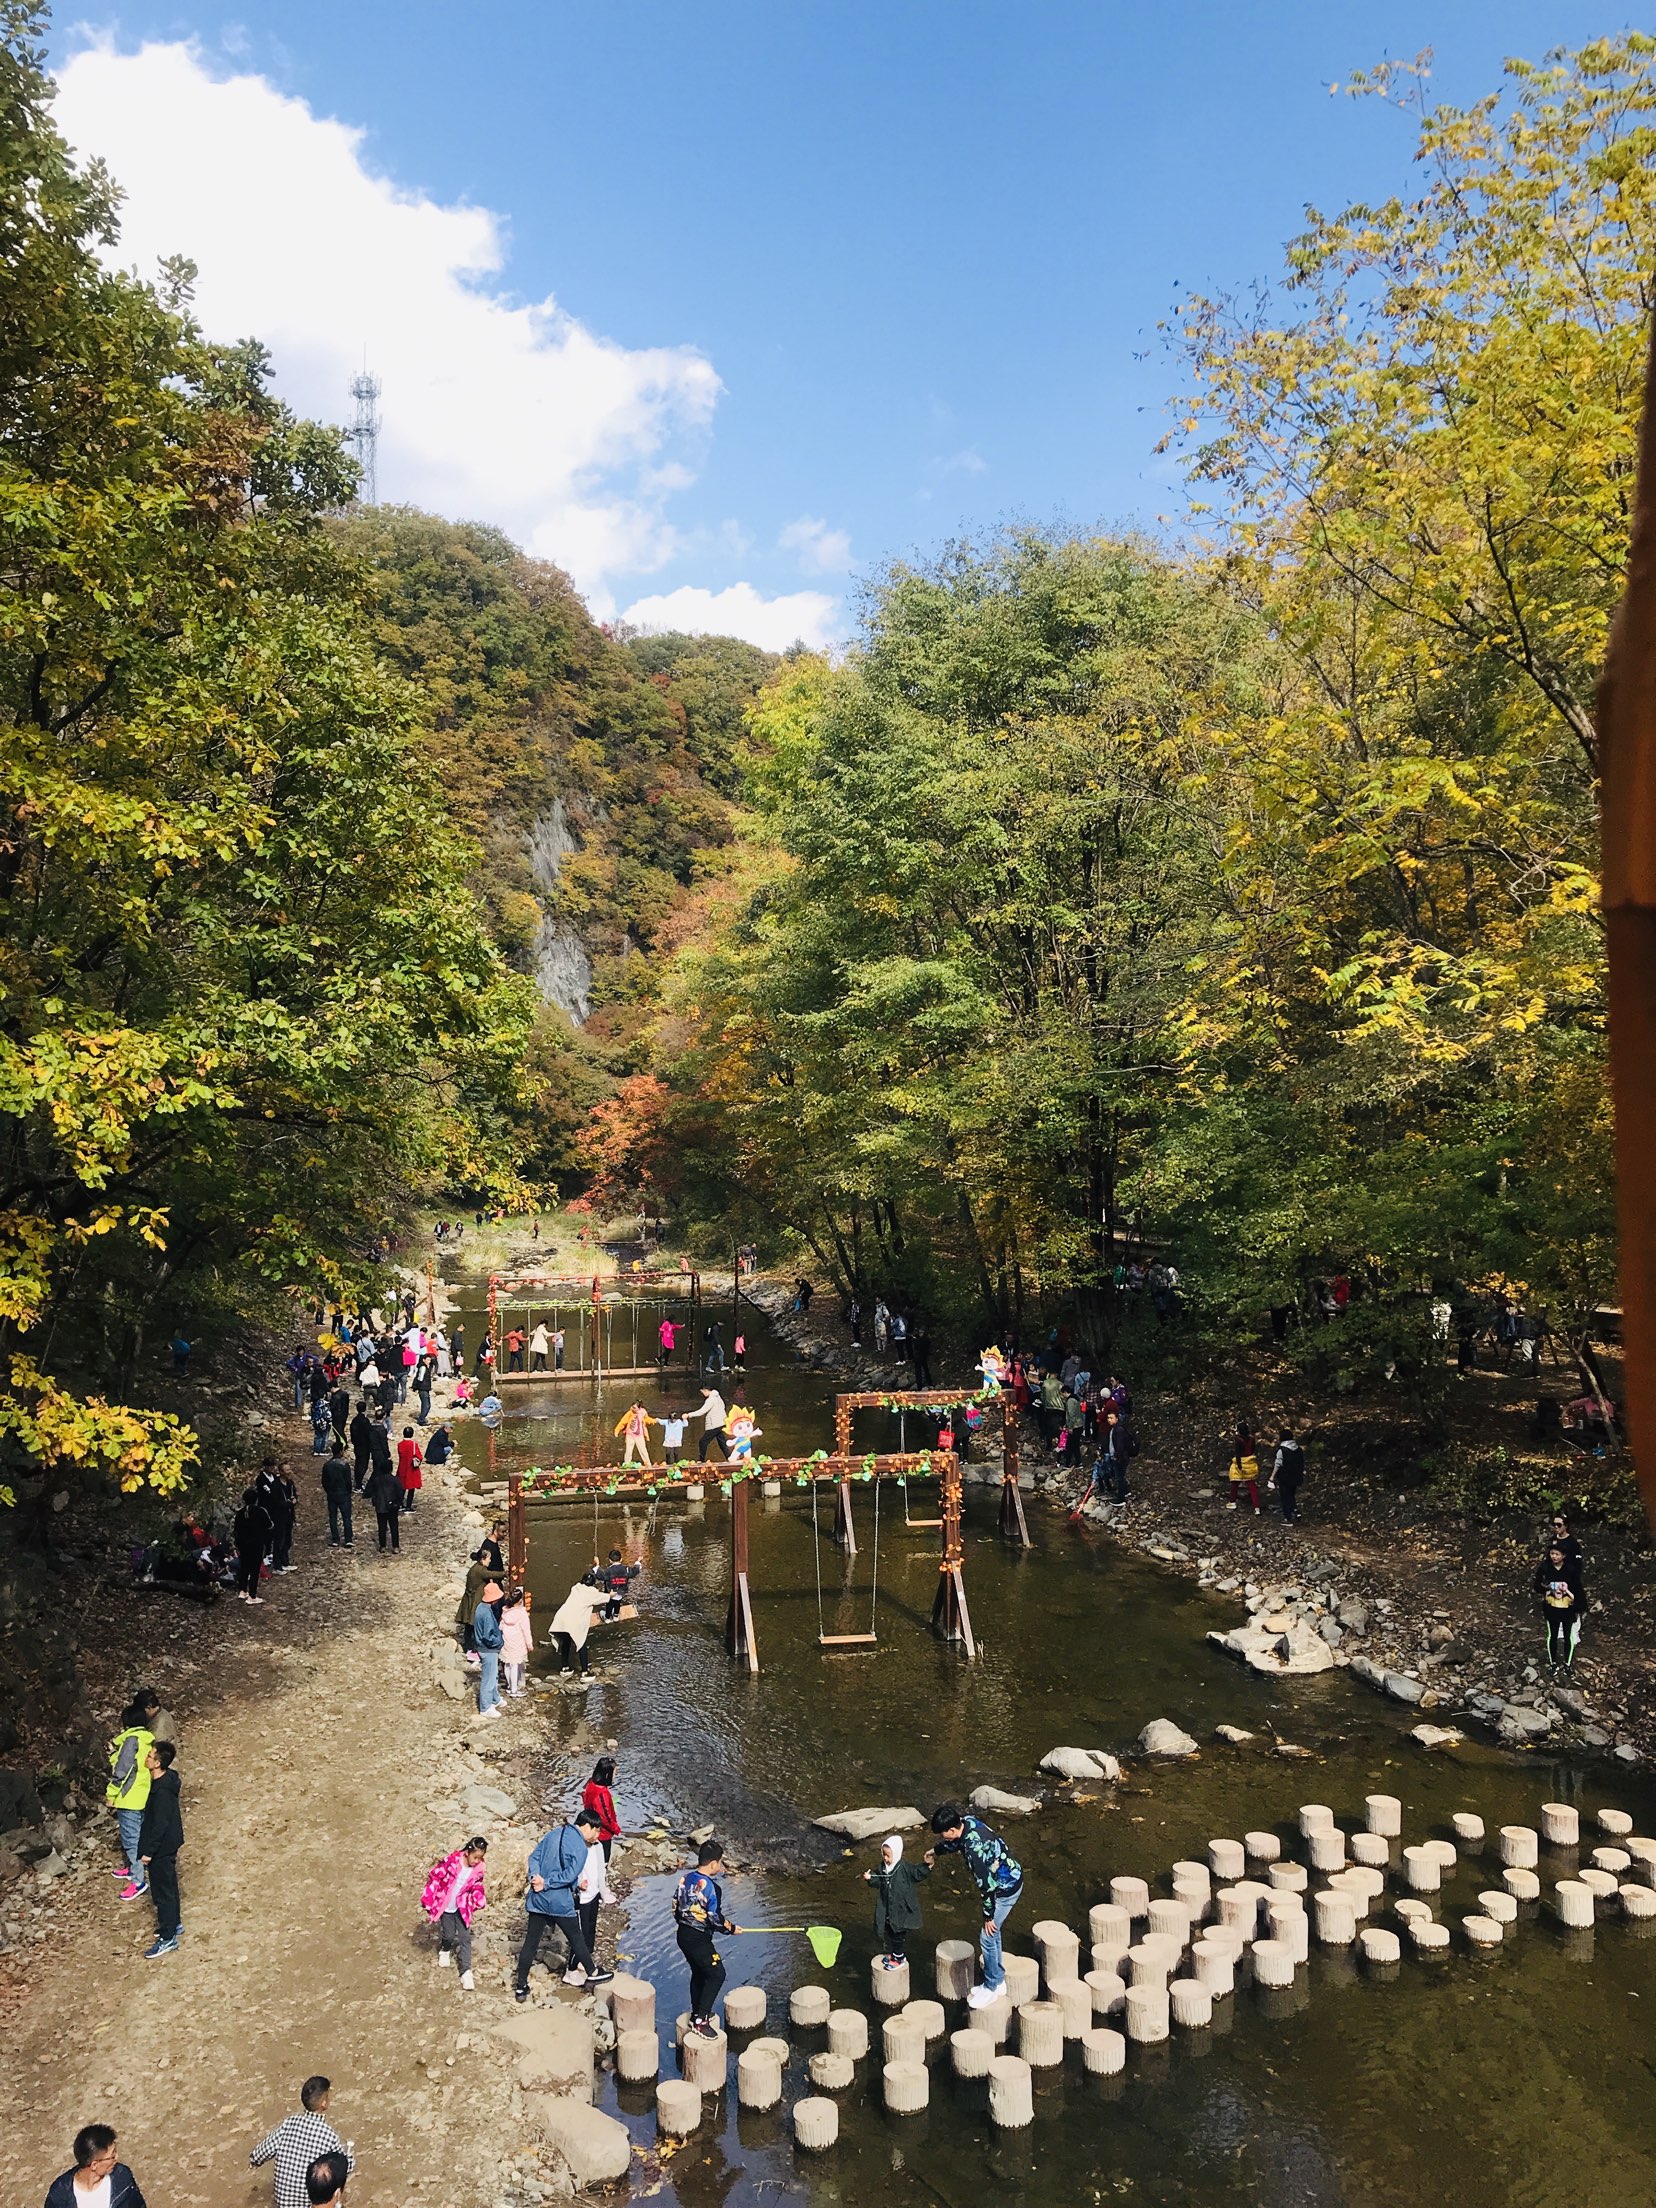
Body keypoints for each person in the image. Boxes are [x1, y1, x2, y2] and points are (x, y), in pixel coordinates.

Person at [926, 1801, 1022, 2008]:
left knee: (987, 1936)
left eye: (943, 1834)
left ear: (952, 1830)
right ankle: (998, 1979)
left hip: (1006, 1888)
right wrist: (935, 1851)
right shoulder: (968, 1822)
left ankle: (992, 1986)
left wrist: (988, 1916)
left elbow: (987, 1886)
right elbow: (955, 1843)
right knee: (993, 1934)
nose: (942, 1837)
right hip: (1011, 1874)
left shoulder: (973, 1851)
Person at [515, 1808, 614, 1999]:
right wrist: (547, 1883)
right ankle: (593, 1972)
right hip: (559, 1900)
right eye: (596, 1831)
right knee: (576, 1937)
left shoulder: (553, 1834)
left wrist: (535, 1877)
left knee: (530, 1942)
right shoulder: (580, 1847)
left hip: (538, 1899)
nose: (597, 1836)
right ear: (587, 1826)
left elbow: (534, 1857)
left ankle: (521, 1986)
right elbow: (569, 1875)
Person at [674, 1839, 742, 2037]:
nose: (720, 1867)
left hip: (683, 1934)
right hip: (698, 1939)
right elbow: (714, 1918)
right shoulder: (712, 1888)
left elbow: (675, 1906)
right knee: (716, 1974)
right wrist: (731, 1928)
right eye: (719, 1863)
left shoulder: (685, 1879)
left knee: (699, 1972)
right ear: (713, 1864)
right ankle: (700, 2021)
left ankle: (697, 2011)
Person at [249, 2079, 352, 2208]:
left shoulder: (290, 2123)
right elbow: (344, 2167)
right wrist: (349, 2159)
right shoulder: (328, 2135)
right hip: (307, 2203)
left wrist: (254, 2160)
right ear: (324, 2103)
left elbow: (263, 2151)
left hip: (282, 2201)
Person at [105, 1696, 156, 1899]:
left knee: (131, 1839)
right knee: (140, 1835)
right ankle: (134, 1868)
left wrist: (111, 1794)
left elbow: (122, 1770)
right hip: (144, 1794)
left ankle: (137, 1881)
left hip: (129, 1798)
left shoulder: (130, 1741)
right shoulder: (148, 1740)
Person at [421, 1836, 488, 1990]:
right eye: (475, 1857)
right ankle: (445, 1949)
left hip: (463, 1906)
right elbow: (435, 1876)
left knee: (465, 1938)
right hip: (446, 1905)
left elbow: (477, 1885)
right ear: (467, 1852)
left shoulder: (478, 1869)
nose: (477, 1861)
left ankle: (466, 1971)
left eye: (480, 1858)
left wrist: (479, 1897)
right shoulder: (451, 1861)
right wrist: (429, 1897)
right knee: (449, 1934)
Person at [137, 1740, 183, 1958]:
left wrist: (149, 1851)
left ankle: (168, 1937)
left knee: (162, 1891)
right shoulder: (168, 1780)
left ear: (157, 1763)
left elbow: (160, 1824)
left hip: (162, 1848)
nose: (146, 1758)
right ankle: (173, 1923)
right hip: (169, 1843)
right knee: (169, 1885)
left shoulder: (162, 1792)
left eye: (150, 1755)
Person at [865, 1832, 930, 1970]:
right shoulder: (883, 1867)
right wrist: (870, 1878)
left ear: (897, 1854)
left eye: (888, 1855)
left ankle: (899, 1958)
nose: (885, 1858)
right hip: (888, 1907)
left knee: (898, 1933)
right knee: (889, 1930)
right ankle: (895, 1954)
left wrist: (927, 1866)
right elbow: (878, 1881)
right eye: (884, 1854)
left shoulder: (904, 1867)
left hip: (901, 1908)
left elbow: (917, 1873)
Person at [44, 2125, 147, 2208]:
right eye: (112, 2156)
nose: (116, 2158)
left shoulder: (122, 2177)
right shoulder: (60, 2194)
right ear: (94, 2165)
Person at [1536, 1543, 1586, 1673]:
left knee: (1568, 1636)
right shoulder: (1545, 1568)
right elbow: (1537, 1585)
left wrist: (1578, 1608)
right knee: (1552, 1635)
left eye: (1557, 1554)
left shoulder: (1571, 1569)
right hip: (1551, 1608)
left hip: (1568, 1608)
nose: (1554, 1557)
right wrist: (1546, 1587)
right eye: (1552, 1554)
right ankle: (1553, 1663)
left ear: (1563, 1556)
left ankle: (1567, 1664)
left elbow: (1578, 1589)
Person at [547, 1577, 608, 1677]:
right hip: (573, 1622)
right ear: (593, 1584)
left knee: (566, 1641)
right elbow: (605, 1597)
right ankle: (585, 1672)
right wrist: (613, 1593)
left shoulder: (575, 1588)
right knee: (581, 1643)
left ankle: (565, 1668)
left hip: (560, 1619)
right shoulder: (591, 1593)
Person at [473, 1577, 506, 1718]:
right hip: (488, 1649)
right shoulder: (486, 1613)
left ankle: (495, 1699)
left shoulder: (481, 1608)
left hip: (484, 1648)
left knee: (494, 1675)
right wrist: (498, 1642)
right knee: (489, 1678)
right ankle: (485, 1707)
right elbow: (488, 1636)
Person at [232, 1486, 271, 1604]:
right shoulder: (261, 1511)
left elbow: (236, 1530)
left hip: (243, 1544)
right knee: (255, 1570)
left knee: (244, 1567)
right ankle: (252, 1596)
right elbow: (269, 1525)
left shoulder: (240, 1513)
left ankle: (242, 1590)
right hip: (256, 1544)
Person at [582, 1754, 621, 1861]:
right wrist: (615, 1828)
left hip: (590, 1825)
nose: (615, 1776)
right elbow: (605, 1816)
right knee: (603, 1858)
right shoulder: (602, 1794)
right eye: (614, 1773)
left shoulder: (591, 1784)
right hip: (602, 1833)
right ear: (607, 1775)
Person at [586, 1548, 640, 1620]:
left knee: (609, 1605)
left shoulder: (608, 1571)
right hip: (621, 1592)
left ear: (610, 1560)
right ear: (621, 1559)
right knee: (618, 1603)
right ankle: (616, 1616)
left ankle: (607, 1618)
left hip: (611, 1592)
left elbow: (600, 1575)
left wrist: (597, 1564)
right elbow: (635, 1571)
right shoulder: (626, 1569)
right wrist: (638, 1561)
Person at [366, 1453, 402, 1554]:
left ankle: (383, 1546)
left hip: (380, 1506)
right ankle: (395, 1546)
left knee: (382, 1526)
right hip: (392, 1506)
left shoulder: (377, 1480)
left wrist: (375, 1503)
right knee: (394, 1526)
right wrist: (399, 1503)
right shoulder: (395, 1480)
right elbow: (400, 1492)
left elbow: (373, 1493)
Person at [500, 1587, 534, 1696]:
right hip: (517, 1642)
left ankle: (509, 1686)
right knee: (514, 1665)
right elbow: (526, 1630)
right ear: (520, 1601)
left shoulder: (505, 1611)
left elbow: (500, 1626)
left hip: (507, 1641)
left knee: (507, 1664)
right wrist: (529, 1644)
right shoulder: (522, 1614)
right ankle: (514, 1690)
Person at [1268, 1428, 1305, 1524]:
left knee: (1285, 1496)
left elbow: (1278, 1464)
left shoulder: (1282, 1450)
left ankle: (1287, 1518)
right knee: (1291, 1494)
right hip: (1296, 1476)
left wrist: (1272, 1476)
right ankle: (1295, 1510)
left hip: (1285, 1476)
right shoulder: (1299, 1449)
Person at [319, 1445, 353, 1548]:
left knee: (333, 1517)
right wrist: (349, 1491)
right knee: (346, 1517)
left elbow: (324, 1481)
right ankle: (348, 1539)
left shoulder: (327, 1465)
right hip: (343, 1493)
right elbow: (348, 1481)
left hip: (332, 1493)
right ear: (341, 1451)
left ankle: (335, 1539)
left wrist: (328, 1491)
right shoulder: (344, 1465)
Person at [1226, 1423, 1261, 1512]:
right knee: (1252, 1486)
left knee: (1234, 1483)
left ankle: (1232, 1502)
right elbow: (1253, 1450)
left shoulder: (1238, 1440)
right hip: (1250, 1463)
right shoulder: (1252, 1439)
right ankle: (1257, 1507)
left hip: (1241, 1462)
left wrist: (1239, 1466)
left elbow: (1238, 1454)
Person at [694, 1382, 729, 1461]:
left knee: (703, 1441)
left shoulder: (710, 1400)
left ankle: (701, 1460)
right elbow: (723, 1406)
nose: (703, 1394)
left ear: (706, 1390)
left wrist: (689, 1415)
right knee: (722, 1442)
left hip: (715, 1424)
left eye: (702, 1392)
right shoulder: (718, 1397)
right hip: (722, 1422)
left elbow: (702, 1411)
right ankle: (729, 1457)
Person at [614, 1400, 652, 1468]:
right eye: (632, 1407)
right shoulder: (630, 1413)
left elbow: (646, 1420)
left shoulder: (643, 1412)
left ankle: (648, 1464)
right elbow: (623, 1422)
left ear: (639, 1408)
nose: (632, 1409)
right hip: (630, 1435)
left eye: (634, 1408)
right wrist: (617, 1430)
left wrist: (653, 1421)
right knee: (628, 1451)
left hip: (639, 1435)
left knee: (643, 1450)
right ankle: (627, 1464)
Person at [396, 1427, 423, 1513]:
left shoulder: (400, 1444)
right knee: (411, 1488)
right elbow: (419, 1456)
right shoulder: (413, 1444)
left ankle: (400, 1504)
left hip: (402, 1467)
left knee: (402, 1487)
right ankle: (408, 1506)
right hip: (411, 1468)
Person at [348, 1403, 373, 1491]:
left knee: (358, 1464)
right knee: (363, 1465)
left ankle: (357, 1483)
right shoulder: (365, 1421)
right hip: (364, 1446)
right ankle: (358, 1484)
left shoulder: (355, 1420)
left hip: (357, 1446)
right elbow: (369, 1433)